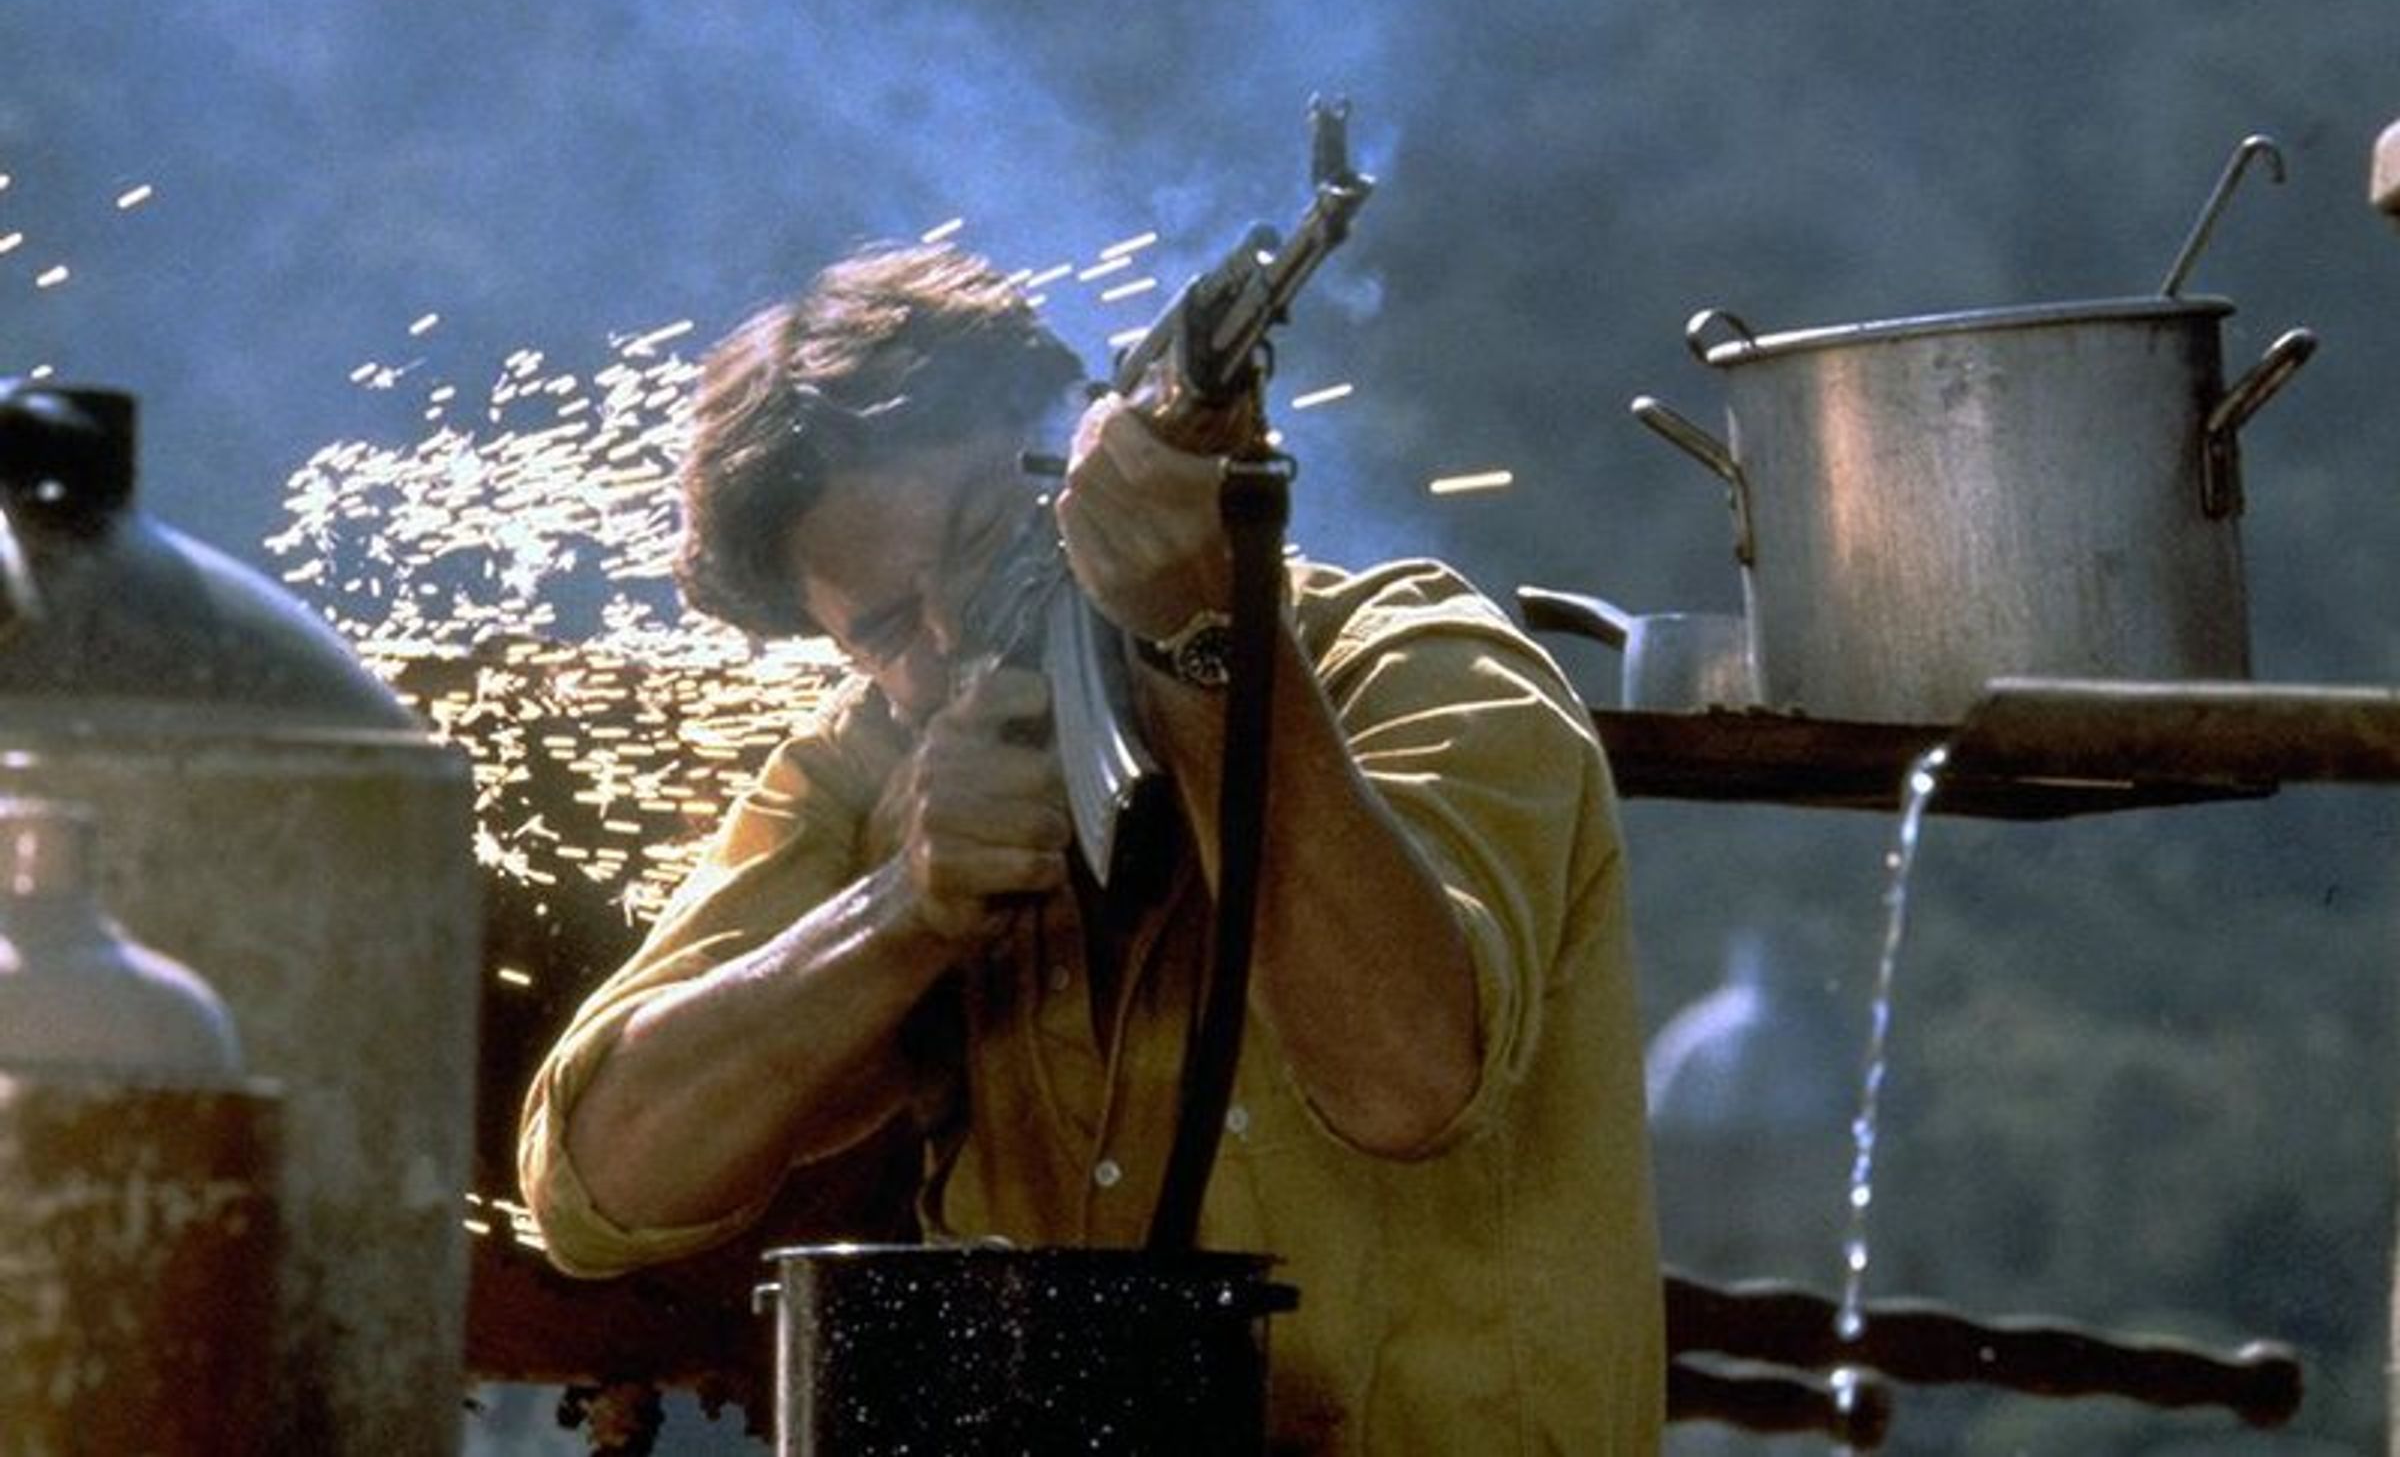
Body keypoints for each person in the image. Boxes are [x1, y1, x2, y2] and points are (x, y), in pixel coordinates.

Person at [517, 243, 1664, 1450]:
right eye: (892, 627)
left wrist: (1202, 643)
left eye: (984, 534)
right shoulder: (879, 754)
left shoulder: (1424, 670)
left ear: (1076, 449)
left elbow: (1405, 1080)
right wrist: (904, 912)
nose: (959, 628)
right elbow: (599, 1183)